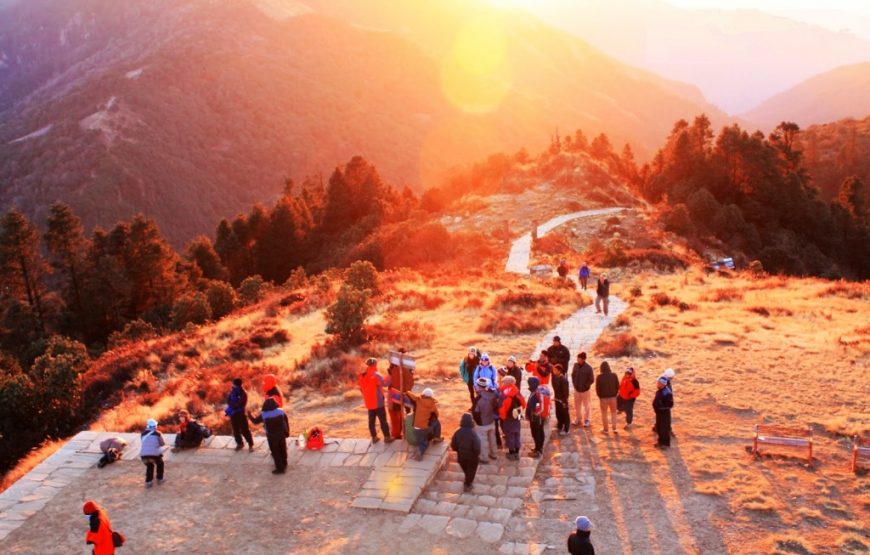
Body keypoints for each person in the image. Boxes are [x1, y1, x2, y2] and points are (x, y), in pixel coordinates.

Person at [248, 397, 290, 473]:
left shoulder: (264, 415)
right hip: (281, 434)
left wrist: (249, 415)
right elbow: (286, 422)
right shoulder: (281, 411)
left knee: (275, 451)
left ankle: (280, 469)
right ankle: (284, 463)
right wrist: (287, 432)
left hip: (271, 435)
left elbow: (255, 421)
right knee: (282, 449)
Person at [358, 358, 393, 444]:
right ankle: (387, 438)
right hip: (378, 402)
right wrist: (390, 375)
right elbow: (385, 383)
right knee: (383, 420)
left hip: (369, 403)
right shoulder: (376, 374)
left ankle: (374, 437)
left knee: (371, 421)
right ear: (375, 364)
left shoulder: (362, 376)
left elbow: (361, 388)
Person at [404, 388, 442, 460]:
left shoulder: (418, 400)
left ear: (423, 394)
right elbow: (437, 415)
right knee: (436, 423)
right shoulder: (432, 405)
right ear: (431, 396)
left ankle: (420, 448)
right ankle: (436, 437)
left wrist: (407, 391)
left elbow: (410, 395)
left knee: (422, 440)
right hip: (425, 429)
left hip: (415, 430)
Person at [387, 353, 415, 440]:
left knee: (405, 413)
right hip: (398, 393)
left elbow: (409, 378)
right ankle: (401, 433)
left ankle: (405, 432)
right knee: (400, 414)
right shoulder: (394, 368)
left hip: (402, 392)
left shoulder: (394, 368)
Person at [451, 413, 481, 492]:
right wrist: (476, 454)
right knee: (471, 470)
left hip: (461, 456)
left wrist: (458, 450)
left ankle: (467, 480)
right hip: (472, 457)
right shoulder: (473, 434)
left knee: (466, 469)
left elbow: (453, 444)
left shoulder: (457, 432)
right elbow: (477, 446)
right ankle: (467, 484)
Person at [498, 376, 526, 460]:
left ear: (506, 383)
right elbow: (524, 404)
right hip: (517, 414)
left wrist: (503, 417)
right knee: (517, 433)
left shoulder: (505, 394)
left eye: (503, 382)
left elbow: (502, 408)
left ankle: (511, 453)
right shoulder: (517, 391)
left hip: (508, 418)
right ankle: (517, 452)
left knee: (509, 435)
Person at [472, 377, 499, 463]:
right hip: (491, 420)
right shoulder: (493, 394)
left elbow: (475, 412)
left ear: (479, 387)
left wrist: (476, 422)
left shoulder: (478, 399)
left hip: (482, 423)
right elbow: (496, 406)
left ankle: (484, 457)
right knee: (492, 438)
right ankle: (494, 454)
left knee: (482, 440)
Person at [226, 378, 254, 451]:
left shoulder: (243, 393)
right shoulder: (232, 392)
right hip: (233, 413)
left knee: (244, 429)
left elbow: (240, 404)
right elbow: (228, 400)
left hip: (240, 413)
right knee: (235, 429)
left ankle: (250, 444)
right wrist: (232, 405)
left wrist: (232, 405)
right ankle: (239, 443)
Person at [525, 376, 549, 458]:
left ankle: (538, 451)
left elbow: (540, 406)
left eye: (529, 383)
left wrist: (536, 413)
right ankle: (539, 448)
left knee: (536, 433)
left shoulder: (537, 393)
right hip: (539, 418)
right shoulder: (537, 390)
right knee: (540, 432)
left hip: (536, 418)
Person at [139, 418, 165, 487]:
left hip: (143, 455)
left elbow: (143, 443)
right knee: (160, 463)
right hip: (155, 454)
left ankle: (148, 482)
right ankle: (160, 478)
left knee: (150, 465)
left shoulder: (142, 434)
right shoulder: (158, 434)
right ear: (155, 426)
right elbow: (162, 443)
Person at [571, 352, 595, 427]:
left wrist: (585, 386)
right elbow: (573, 375)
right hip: (577, 390)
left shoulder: (589, 368)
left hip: (585, 391)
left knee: (586, 405)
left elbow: (591, 379)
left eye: (579, 358)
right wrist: (575, 384)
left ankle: (587, 419)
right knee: (577, 405)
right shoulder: (575, 365)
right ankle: (578, 418)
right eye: (577, 358)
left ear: (583, 359)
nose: (577, 359)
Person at [595, 361, 619, 434]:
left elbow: (597, 388)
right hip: (613, 397)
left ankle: (606, 430)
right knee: (613, 413)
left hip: (603, 398)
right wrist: (615, 394)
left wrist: (600, 396)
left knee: (604, 414)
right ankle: (614, 428)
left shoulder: (599, 377)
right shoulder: (614, 375)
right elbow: (617, 386)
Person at [653, 376, 674, 448]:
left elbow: (670, 404)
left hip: (664, 415)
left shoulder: (667, 393)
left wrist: (660, 407)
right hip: (659, 413)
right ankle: (660, 441)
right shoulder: (660, 390)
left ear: (662, 384)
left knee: (664, 429)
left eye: (658, 382)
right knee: (659, 428)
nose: (657, 383)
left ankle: (665, 444)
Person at [551, 364, 571, 435]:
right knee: (558, 413)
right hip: (557, 399)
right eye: (553, 370)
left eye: (555, 370)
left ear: (559, 371)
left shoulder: (563, 379)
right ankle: (560, 426)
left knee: (565, 414)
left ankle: (566, 429)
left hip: (562, 400)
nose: (553, 371)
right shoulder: (555, 377)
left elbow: (565, 392)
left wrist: (563, 400)